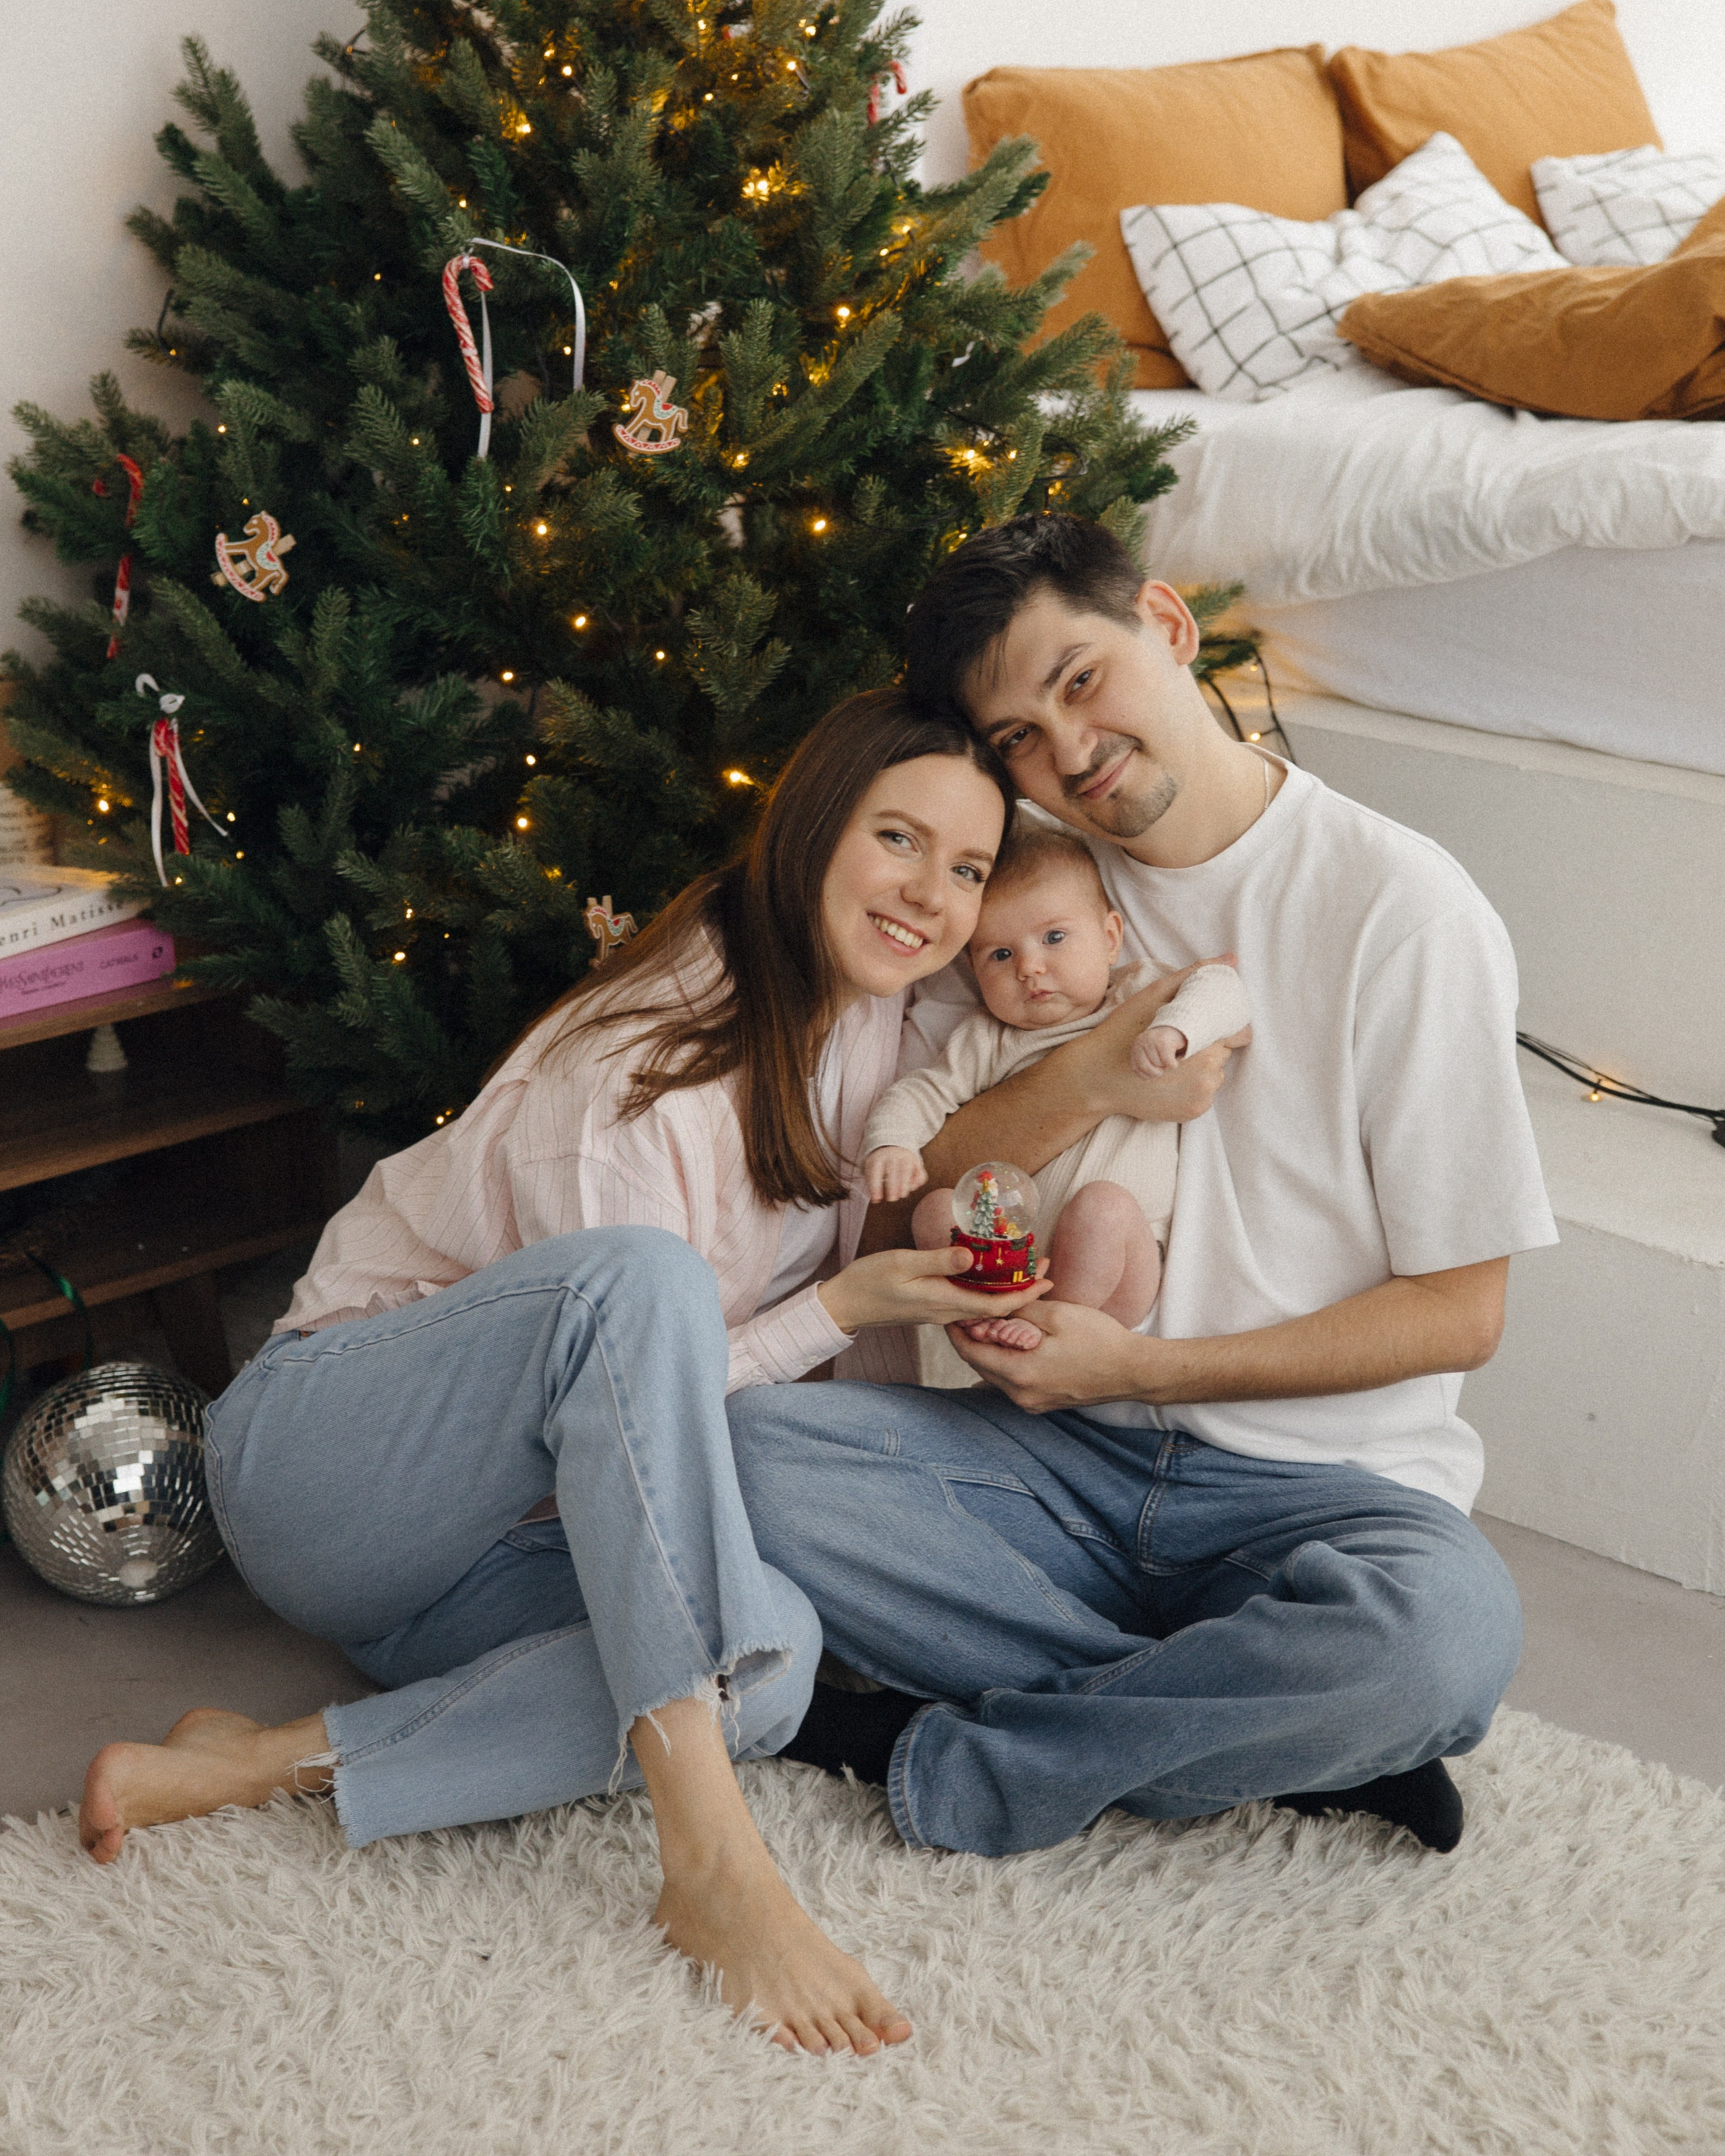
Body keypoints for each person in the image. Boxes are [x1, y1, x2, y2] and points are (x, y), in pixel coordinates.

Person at [75, 689, 1055, 2057]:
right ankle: (708, 1856)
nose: (932, 896)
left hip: (497, 1560)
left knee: (767, 1654)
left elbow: (687, 1444)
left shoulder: (870, 1038)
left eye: (964, 868)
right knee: (635, 1281)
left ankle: (260, 1758)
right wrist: (829, 1305)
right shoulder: (641, 1054)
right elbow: (624, 1372)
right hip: (327, 1475)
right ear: (814, 827)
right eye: (899, 838)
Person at [735, 513, 1559, 1862]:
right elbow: (911, 1180)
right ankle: (1251, 1725)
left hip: (1320, 1492)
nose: (1064, 752)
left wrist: (1141, 1364)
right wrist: (1093, 1080)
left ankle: (954, 1743)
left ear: (1165, 629)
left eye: (1077, 681)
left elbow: (1458, 1313)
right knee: (748, 1456)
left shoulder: (1403, 910)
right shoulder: (1022, 892)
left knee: (1440, 1640)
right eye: (1014, 736)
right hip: (1058, 1463)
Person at [860, 821, 1248, 1350]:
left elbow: (1223, 984)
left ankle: (1053, 1322)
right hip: (1011, 1255)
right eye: (1000, 955)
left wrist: (1178, 1028)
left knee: (1102, 1207)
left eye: (1054, 938)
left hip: (1116, 1266)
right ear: (974, 972)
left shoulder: (1138, 993)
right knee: (934, 1211)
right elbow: (921, 1092)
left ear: (1110, 939)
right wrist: (892, 1141)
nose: (1031, 968)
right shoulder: (987, 1037)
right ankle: (988, 1302)